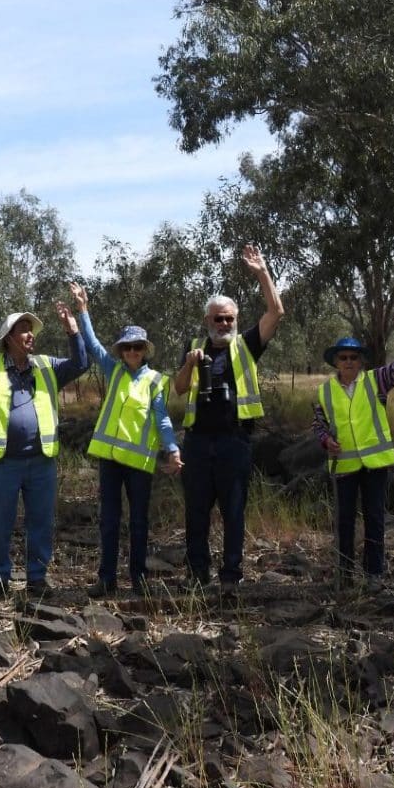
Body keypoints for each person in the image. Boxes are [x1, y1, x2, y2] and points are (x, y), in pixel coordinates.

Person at [0, 304, 88, 600]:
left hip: (41, 463)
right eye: (24, 330)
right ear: (8, 338)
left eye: (31, 330)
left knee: (40, 522)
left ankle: (37, 579)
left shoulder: (47, 366)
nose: (30, 335)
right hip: (1, 465)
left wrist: (73, 331)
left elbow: (80, 364)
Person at [174, 244, 284, 594]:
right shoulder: (195, 347)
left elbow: (276, 312)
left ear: (236, 321)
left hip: (234, 440)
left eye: (229, 318)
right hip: (198, 441)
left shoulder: (246, 344)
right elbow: (178, 389)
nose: (223, 324)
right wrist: (191, 364)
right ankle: (197, 572)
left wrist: (262, 272)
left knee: (234, 509)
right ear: (207, 321)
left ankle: (232, 574)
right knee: (196, 511)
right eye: (217, 318)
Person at [69, 282, 183, 598]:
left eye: (137, 347)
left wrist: (172, 448)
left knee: (139, 523)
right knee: (108, 521)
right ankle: (106, 579)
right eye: (127, 347)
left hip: (140, 464)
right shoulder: (114, 370)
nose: (132, 352)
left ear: (145, 350)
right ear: (121, 351)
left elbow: (161, 418)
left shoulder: (157, 381)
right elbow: (92, 344)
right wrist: (83, 308)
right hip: (110, 461)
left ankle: (139, 578)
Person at [312, 309, 394, 586]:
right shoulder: (324, 392)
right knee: (344, 521)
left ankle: (374, 575)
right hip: (344, 464)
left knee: (374, 519)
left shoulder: (376, 380)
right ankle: (344, 575)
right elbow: (319, 425)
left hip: (375, 464)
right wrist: (326, 441)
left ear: (361, 361)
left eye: (353, 357)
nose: (348, 361)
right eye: (343, 357)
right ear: (336, 361)